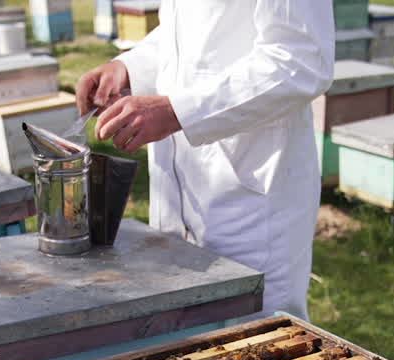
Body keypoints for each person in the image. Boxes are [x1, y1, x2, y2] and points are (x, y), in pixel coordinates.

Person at [76, 1, 334, 320]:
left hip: (250, 207)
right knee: (178, 348)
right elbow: (188, 36)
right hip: (176, 196)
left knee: (259, 351)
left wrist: (177, 111)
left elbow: (301, 59)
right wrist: (129, 67)